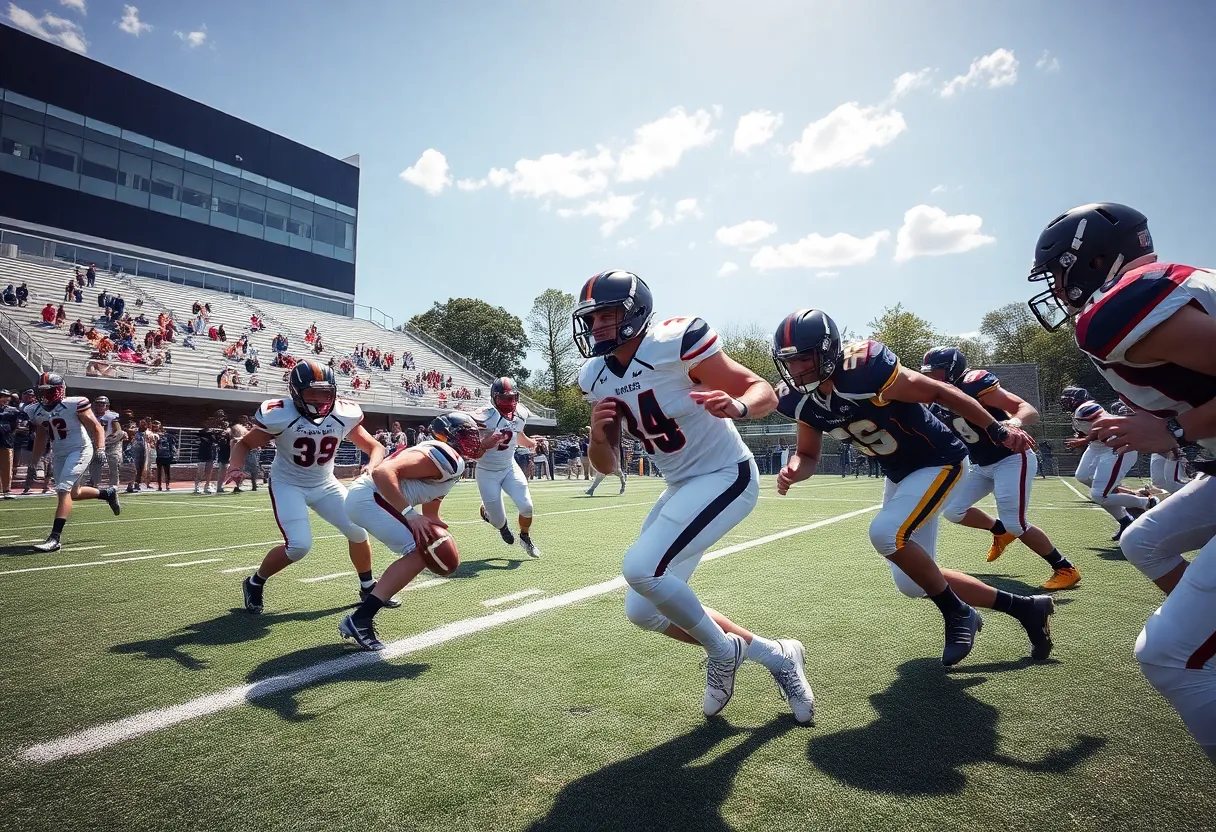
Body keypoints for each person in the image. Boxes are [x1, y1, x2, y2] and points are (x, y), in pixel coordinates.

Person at [576, 269, 814, 722]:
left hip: (727, 474)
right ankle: (777, 655)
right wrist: (595, 434)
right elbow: (607, 465)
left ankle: (722, 651)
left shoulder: (675, 343)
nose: (598, 326)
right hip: (682, 485)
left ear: (635, 312)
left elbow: (759, 387)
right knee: (643, 611)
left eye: (608, 314)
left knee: (641, 569)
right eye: (592, 318)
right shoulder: (596, 376)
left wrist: (739, 405)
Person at [1025, 201, 1216, 761]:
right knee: (1143, 539)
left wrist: (1176, 430)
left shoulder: (1116, 309)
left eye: (1060, 271)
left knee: (1167, 654)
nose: (1058, 289)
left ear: (1094, 260)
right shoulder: (1172, 284)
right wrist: (1165, 425)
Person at [771, 309, 1055, 667]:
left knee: (885, 533)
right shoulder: (800, 399)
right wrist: (794, 470)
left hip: (939, 460)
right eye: (789, 361)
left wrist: (997, 429)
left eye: (803, 358)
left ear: (827, 351)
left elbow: (939, 390)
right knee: (913, 582)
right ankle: (1027, 610)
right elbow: (808, 453)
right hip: (901, 473)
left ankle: (956, 613)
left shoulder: (864, 370)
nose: (796, 370)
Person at [230, 360, 389, 614]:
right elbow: (244, 444)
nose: (319, 399)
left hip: (325, 483)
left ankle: (367, 586)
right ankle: (254, 582)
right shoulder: (281, 414)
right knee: (299, 546)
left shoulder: (342, 413)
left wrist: (372, 465)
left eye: (324, 393)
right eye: (312, 393)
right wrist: (234, 467)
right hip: (288, 484)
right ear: (295, 392)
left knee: (358, 531)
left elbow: (375, 447)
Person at [922, 347, 1079, 591]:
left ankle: (1065, 568)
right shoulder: (936, 403)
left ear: (951, 371)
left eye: (936, 373)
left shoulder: (973, 384)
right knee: (953, 511)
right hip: (983, 465)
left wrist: (1013, 422)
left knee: (1016, 523)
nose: (931, 378)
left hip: (1012, 458)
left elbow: (1027, 409)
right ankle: (1000, 531)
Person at [339, 412, 497, 650]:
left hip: (372, 499)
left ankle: (363, 613)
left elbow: (431, 512)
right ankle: (360, 619)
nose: (473, 441)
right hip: (371, 498)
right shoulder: (446, 456)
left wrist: (436, 526)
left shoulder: (452, 463)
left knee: (427, 546)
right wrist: (410, 515)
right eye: (466, 436)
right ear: (448, 437)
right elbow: (383, 472)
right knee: (420, 551)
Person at [26, 373, 121, 551]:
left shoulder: (74, 404)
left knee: (63, 490)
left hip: (79, 449)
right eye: (43, 391)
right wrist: (34, 460)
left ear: (60, 390)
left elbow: (96, 427)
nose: (45, 395)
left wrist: (100, 449)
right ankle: (107, 494)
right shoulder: (35, 410)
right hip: (60, 453)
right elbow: (40, 436)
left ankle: (55, 538)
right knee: (74, 493)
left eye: (50, 391)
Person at [1064, 388, 1154, 541]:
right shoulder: (1077, 414)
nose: (1066, 401)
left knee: (1099, 495)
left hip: (1116, 448)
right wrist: (1082, 439)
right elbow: (1088, 431)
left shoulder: (1087, 407)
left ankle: (1147, 502)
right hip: (1098, 448)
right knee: (1083, 476)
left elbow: (1103, 424)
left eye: (1069, 398)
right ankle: (1126, 517)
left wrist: (1085, 440)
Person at [472, 377, 542, 558]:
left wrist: (530, 443)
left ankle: (525, 537)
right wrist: (486, 442)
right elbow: (472, 449)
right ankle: (493, 518)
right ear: (494, 398)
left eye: (512, 398)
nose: (508, 403)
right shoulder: (483, 416)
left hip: (509, 466)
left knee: (527, 506)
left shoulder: (521, 412)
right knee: (496, 520)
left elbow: (517, 434)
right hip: (487, 471)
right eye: (503, 399)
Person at [87, 396, 123, 490]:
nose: (99, 406)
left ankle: (113, 484)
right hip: (97, 442)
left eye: (102, 404)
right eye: (98, 404)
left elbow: (118, 430)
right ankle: (94, 482)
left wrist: (112, 438)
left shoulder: (111, 416)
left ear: (107, 406)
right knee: (95, 461)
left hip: (111, 442)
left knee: (114, 461)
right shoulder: (90, 415)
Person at [228, 415, 260, 492]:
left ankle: (254, 485)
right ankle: (237, 486)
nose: (244, 421)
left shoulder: (250, 427)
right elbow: (235, 438)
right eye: (242, 419)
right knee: (240, 470)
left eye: (245, 419)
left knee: (254, 469)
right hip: (242, 451)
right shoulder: (237, 428)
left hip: (251, 450)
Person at [194, 419, 220, 494]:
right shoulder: (201, 432)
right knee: (200, 471)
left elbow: (216, 441)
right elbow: (197, 441)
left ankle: (207, 486)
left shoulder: (213, 433)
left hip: (210, 453)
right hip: (202, 453)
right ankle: (197, 486)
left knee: (209, 472)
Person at [0, 390, 18, 498]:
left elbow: (14, 425)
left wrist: (9, 433)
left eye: (7, 397)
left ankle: (7, 490)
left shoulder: (13, 411)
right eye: (3, 396)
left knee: (7, 466)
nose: (5, 399)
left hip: (6, 441)